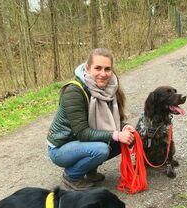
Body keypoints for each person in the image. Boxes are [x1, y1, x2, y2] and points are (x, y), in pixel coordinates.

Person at [47, 48, 135, 191]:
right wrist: (117, 134)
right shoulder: (74, 92)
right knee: (102, 149)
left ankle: (89, 170)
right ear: (88, 68)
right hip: (61, 147)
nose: (103, 74)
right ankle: (72, 176)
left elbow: (110, 120)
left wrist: (124, 127)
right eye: (98, 68)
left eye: (108, 69)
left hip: (82, 142)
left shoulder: (109, 88)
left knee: (123, 140)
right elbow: (82, 133)